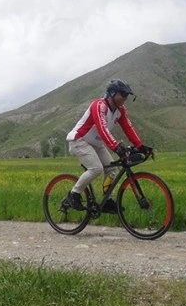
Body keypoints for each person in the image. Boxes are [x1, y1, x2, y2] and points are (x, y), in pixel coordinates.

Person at [64, 79, 153, 213]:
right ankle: (73, 194)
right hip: (80, 140)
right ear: (112, 93)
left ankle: (107, 201)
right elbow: (102, 128)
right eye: (123, 94)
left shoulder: (120, 110)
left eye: (127, 95)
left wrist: (140, 146)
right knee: (96, 168)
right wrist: (116, 146)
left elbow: (128, 128)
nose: (125, 98)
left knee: (112, 170)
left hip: (96, 144)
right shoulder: (99, 106)